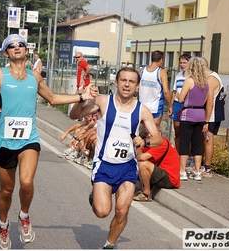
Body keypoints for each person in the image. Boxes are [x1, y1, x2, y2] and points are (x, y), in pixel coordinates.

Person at [0, 34, 98, 250]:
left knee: (26, 182)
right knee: (7, 190)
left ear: (26, 51)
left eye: (21, 44)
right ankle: (3, 225)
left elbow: (54, 99)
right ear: (6, 52)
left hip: (29, 139)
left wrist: (82, 96)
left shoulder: (35, 77)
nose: (17, 47)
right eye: (12, 45)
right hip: (5, 141)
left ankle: (24, 216)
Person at [69, 67, 163, 249]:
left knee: (122, 209)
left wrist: (144, 142)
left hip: (127, 166)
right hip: (104, 164)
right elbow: (74, 115)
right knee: (103, 211)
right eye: (123, 80)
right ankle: (94, 197)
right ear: (117, 82)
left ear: (137, 87)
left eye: (131, 82)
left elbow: (158, 138)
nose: (127, 84)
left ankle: (109, 244)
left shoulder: (142, 110)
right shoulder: (103, 101)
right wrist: (82, 97)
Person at [177, 57, 210, 181]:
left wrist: (177, 94)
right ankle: (197, 171)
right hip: (200, 113)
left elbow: (181, 99)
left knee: (185, 142)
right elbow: (206, 100)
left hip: (188, 113)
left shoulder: (189, 81)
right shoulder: (206, 83)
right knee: (197, 143)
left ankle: (182, 171)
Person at [133, 123, 180, 202]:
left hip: (170, 178)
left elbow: (142, 157)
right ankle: (142, 189)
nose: (148, 135)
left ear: (159, 133)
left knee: (143, 163)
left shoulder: (162, 143)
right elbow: (140, 152)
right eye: (147, 133)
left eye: (151, 133)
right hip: (162, 173)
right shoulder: (152, 143)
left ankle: (146, 193)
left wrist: (137, 153)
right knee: (139, 164)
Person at [201, 57, 225, 178]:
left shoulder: (210, 80)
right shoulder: (211, 76)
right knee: (204, 138)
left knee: (208, 138)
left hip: (212, 114)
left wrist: (206, 121)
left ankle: (207, 167)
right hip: (211, 113)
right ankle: (202, 164)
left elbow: (210, 102)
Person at [138, 50, 173, 125]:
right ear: (161, 60)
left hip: (142, 106)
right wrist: (171, 105)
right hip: (155, 108)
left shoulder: (141, 71)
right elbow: (166, 91)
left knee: (142, 132)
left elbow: (136, 88)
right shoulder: (161, 72)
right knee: (154, 132)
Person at [170, 53, 191, 153]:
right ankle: (177, 154)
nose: (182, 65)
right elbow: (174, 91)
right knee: (177, 131)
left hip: (187, 106)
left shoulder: (191, 77)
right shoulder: (178, 75)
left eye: (184, 63)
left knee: (187, 133)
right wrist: (171, 106)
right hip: (177, 105)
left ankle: (188, 155)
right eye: (181, 63)